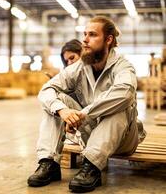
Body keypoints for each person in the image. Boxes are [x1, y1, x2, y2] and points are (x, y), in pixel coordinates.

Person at [27, 16, 146, 193]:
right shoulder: (80, 66)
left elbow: (126, 93)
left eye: (92, 34)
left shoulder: (123, 66)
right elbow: (47, 89)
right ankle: (49, 163)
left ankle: (91, 167)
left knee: (120, 103)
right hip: (91, 134)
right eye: (84, 34)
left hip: (123, 138)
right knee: (55, 101)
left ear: (108, 39)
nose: (85, 39)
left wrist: (83, 114)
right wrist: (63, 111)